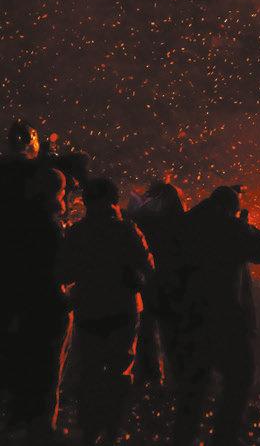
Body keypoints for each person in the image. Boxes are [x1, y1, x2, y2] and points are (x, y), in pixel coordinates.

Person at [171, 185, 260, 446]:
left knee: (193, 388)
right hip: (227, 317)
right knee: (240, 378)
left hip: (191, 315)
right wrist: (245, 225)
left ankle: (183, 438)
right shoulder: (231, 226)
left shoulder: (187, 223)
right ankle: (224, 438)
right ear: (232, 207)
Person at [56, 178, 155, 446]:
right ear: (113, 199)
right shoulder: (127, 230)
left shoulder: (77, 232)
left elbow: (64, 271)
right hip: (123, 310)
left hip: (89, 310)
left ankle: (88, 430)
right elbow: (147, 267)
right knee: (119, 371)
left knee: (89, 371)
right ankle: (111, 429)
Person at [3, 166, 69, 443]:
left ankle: (20, 421)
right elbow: (59, 269)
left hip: (24, 306)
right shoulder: (48, 226)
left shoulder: (17, 220)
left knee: (26, 365)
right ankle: (41, 429)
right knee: (46, 371)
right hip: (47, 305)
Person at [128, 181, 187, 383]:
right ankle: (175, 377)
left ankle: (151, 375)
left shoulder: (140, 219)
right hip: (167, 281)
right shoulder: (178, 223)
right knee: (171, 329)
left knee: (147, 328)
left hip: (149, 280)